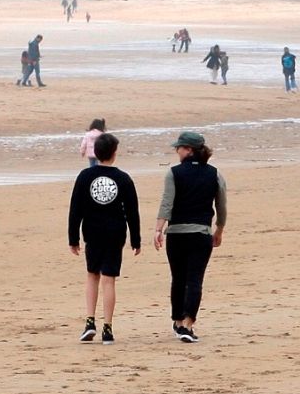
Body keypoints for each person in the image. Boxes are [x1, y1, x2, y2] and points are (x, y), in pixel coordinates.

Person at [69, 133, 142, 346]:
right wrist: (136, 239)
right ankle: (107, 328)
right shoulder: (123, 178)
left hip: (92, 231)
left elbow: (76, 209)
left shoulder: (85, 176)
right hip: (115, 232)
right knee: (109, 279)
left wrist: (72, 238)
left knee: (93, 275)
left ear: (96, 153)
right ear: (114, 153)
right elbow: (132, 211)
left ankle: (90, 321)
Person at [154, 132, 227, 344]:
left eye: (180, 147)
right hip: (200, 234)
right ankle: (187, 323)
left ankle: (177, 321)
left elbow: (166, 203)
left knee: (178, 278)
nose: (177, 151)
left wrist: (158, 229)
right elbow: (221, 206)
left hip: (176, 234)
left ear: (189, 150)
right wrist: (219, 229)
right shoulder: (214, 174)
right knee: (194, 279)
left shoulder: (173, 173)